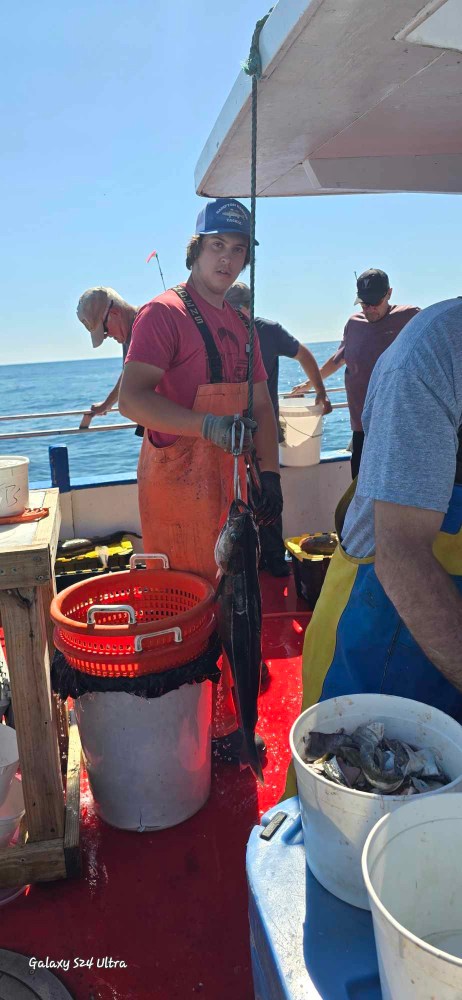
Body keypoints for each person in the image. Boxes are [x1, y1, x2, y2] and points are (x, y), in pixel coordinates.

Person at [118, 198, 281, 763]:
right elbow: (132, 399)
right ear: (196, 249)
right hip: (177, 494)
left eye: (239, 251)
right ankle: (186, 735)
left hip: (230, 489)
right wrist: (205, 425)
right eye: (218, 246)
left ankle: (235, 724)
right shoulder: (161, 314)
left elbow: (260, 404)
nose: (228, 260)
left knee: (239, 608)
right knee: (184, 610)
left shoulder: (242, 324)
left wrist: (274, 476)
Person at [284, 296, 462, 797]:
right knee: (332, 791)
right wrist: (315, 389)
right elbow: (401, 557)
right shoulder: (434, 352)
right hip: (375, 614)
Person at [225, 281, 332, 576]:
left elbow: (304, 355)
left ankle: (273, 557)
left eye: (239, 311)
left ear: (250, 308)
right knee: (231, 496)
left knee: (268, 494)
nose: (235, 317)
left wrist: (320, 391)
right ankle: (241, 558)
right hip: (224, 429)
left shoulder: (268, 330)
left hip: (264, 429)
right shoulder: (216, 329)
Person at [290, 269, 419, 478]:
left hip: (398, 423)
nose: (368, 309)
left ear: (389, 294)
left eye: (374, 303)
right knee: (359, 482)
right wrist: (309, 384)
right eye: (363, 303)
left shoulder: (410, 317)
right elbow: (338, 359)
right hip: (361, 424)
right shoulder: (354, 323)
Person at [77, 287, 138, 420]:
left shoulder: (147, 327)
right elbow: (128, 373)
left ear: (115, 313)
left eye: (104, 330)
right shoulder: (128, 333)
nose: (105, 336)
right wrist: (107, 404)